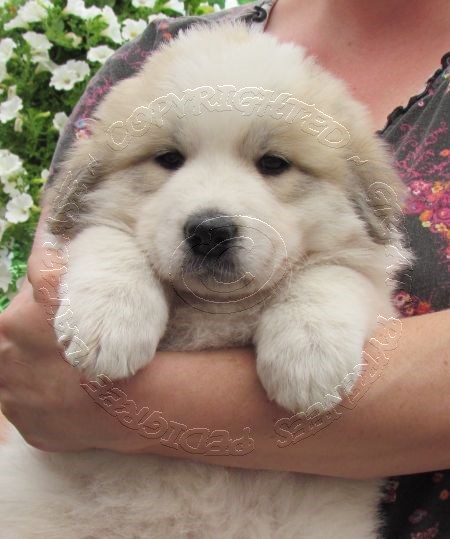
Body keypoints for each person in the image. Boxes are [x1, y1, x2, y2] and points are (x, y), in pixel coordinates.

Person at [0, 0, 449, 537]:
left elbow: (358, 256)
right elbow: (54, 274)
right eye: (169, 158)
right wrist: (111, 262)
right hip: (81, 513)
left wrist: (326, 293)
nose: (211, 211)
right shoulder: (149, 55)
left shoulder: (340, 236)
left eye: (273, 164)